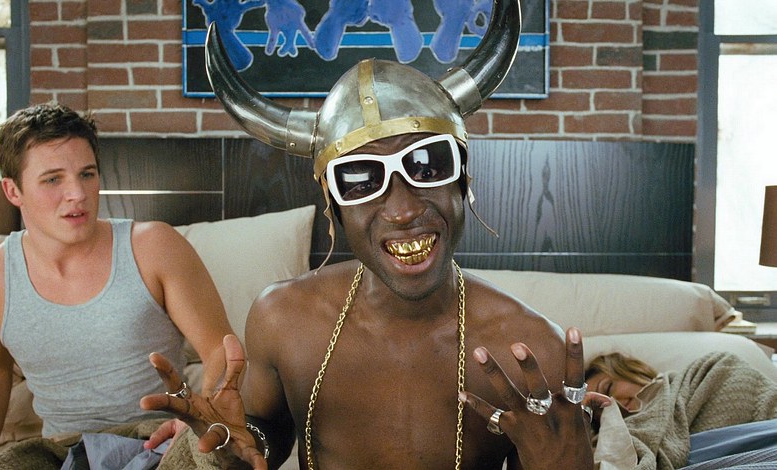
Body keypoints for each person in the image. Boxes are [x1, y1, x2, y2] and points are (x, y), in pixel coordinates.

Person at [138, 1, 609, 469]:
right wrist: (232, 443)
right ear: (335, 206)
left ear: (463, 178)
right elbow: (263, 440)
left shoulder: (531, 350)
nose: (403, 210)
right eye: (362, 181)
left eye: (427, 166)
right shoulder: (281, 319)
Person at [0, 102, 234, 469]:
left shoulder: (154, 247)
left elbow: (221, 351)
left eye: (87, 174)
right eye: (53, 179)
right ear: (13, 190)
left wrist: (198, 420)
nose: (78, 193)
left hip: (159, 441)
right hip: (62, 451)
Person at [586, 351, 777, 469]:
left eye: (608, 389)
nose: (613, 404)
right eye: (599, 410)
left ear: (633, 370)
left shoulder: (706, 372)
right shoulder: (616, 442)